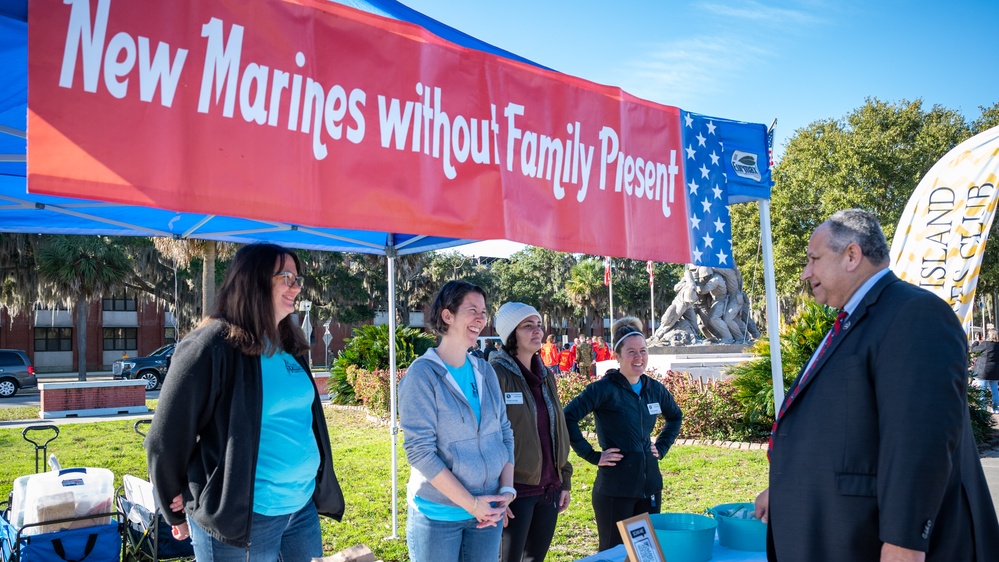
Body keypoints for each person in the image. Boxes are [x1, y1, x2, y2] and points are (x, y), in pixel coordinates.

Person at [755, 209, 999, 562]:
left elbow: (919, 438)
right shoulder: (858, 319)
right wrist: (785, 491)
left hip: (875, 542)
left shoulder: (914, 314)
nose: (807, 272)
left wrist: (904, 541)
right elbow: (848, 435)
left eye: (814, 259)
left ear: (852, 255)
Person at [145, 243, 344, 561]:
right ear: (255, 279)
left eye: (298, 278)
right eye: (287, 277)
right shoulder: (211, 345)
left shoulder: (288, 344)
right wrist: (174, 504)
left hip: (301, 509)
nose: (297, 286)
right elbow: (164, 439)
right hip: (243, 519)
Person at [398, 280, 516, 562]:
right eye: (472, 310)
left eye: (484, 312)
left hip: (488, 513)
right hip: (438, 515)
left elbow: (504, 432)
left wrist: (507, 489)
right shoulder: (422, 375)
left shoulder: (485, 370)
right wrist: (471, 504)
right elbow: (420, 452)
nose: (480, 318)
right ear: (447, 316)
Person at [563, 317, 683, 551]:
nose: (639, 357)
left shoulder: (654, 388)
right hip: (615, 490)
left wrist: (663, 446)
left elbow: (675, 417)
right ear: (617, 356)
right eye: (631, 352)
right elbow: (567, 417)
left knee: (644, 553)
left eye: (643, 351)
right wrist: (593, 456)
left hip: (650, 488)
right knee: (614, 554)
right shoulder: (603, 389)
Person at [489, 302, 573, 562]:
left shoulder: (546, 375)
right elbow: (488, 436)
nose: (538, 331)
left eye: (539, 325)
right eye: (528, 326)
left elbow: (555, 429)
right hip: (515, 492)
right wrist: (497, 491)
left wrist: (564, 480)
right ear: (510, 333)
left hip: (548, 488)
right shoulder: (496, 374)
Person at [972, 329, 999, 413]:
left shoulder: (985, 344)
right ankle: (996, 408)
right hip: (995, 371)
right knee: (995, 391)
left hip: (983, 371)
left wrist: (976, 342)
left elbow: (974, 350)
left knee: (982, 391)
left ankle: (983, 409)